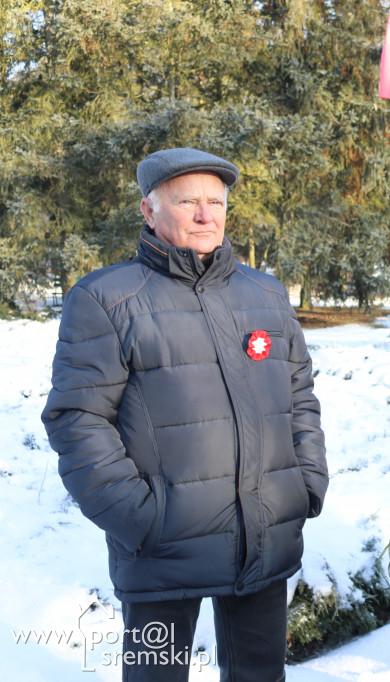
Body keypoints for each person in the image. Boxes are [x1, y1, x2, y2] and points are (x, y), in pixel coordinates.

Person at [41, 148, 329, 681]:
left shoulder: (264, 293)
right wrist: (139, 518)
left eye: (215, 201)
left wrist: (306, 483)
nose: (205, 215)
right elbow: (77, 418)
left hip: (264, 535)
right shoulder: (105, 298)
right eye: (188, 201)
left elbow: (299, 396)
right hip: (162, 547)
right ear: (149, 212)